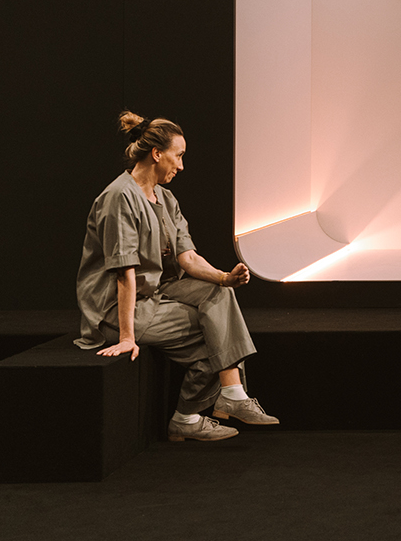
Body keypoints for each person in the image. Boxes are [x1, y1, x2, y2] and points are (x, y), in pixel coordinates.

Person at [75, 111, 280, 444]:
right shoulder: (119, 198)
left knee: (219, 295)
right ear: (157, 154)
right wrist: (126, 337)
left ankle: (230, 395)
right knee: (215, 337)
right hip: (117, 309)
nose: (182, 166)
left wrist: (224, 278)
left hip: (158, 292)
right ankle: (189, 415)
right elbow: (124, 272)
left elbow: (188, 257)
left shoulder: (166, 198)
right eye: (178, 155)